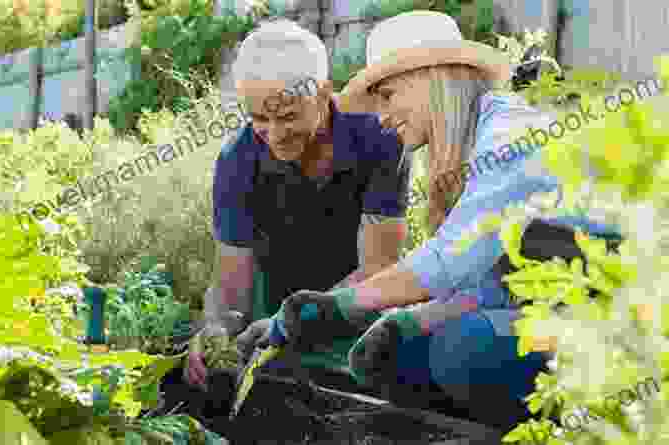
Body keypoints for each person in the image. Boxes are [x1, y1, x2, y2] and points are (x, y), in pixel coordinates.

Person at [264, 11, 622, 429]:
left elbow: (454, 257)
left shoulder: (512, 137)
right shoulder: (472, 142)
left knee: (463, 349)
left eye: (388, 95)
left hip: (615, 325)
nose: (380, 116)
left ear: (431, 79)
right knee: (405, 356)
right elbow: (493, 284)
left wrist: (341, 304)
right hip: (553, 313)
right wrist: (411, 321)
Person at [183, 18, 412, 391]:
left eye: (288, 116)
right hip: (269, 318)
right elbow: (231, 288)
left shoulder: (380, 138)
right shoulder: (237, 160)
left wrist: (293, 320)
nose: (274, 134)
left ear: (323, 94)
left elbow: (378, 270)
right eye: (259, 118)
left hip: (356, 313)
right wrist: (216, 329)